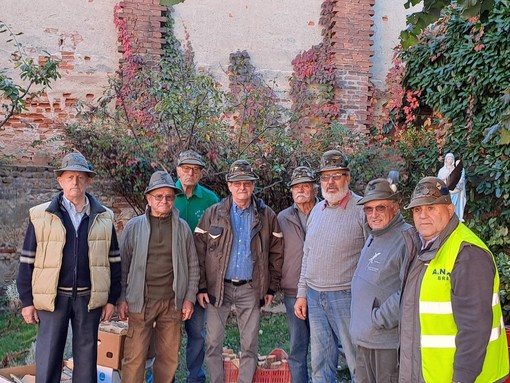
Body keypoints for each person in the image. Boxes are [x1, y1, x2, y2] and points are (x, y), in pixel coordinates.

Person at [17, 152, 121, 383]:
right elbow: (27, 260)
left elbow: (114, 260)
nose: (75, 182)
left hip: (89, 299)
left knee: (86, 361)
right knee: (48, 358)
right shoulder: (40, 216)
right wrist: (27, 301)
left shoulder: (104, 217)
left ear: (88, 180)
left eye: (80, 177)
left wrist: (112, 299)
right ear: (60, 181)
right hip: (53, 299)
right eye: (70, 177)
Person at [399, 176, 509, 383]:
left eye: (431, 208)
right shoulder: (421, 246)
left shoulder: (467, 253)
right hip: (429, 373)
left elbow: (475, 327)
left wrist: (462, 379)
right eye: (417, 210)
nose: (423, 216)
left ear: (450, 210)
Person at [194, 159, 283, 383]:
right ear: (229, 186)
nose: (242, 187)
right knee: (213, 341)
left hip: (250, 288)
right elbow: (199, 251)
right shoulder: (213, 213)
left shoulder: (266, 215)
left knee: (249, 343)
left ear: (253, 185)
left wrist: (271, 287)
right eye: (237, 183)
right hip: (218, 287)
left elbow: (276, 253)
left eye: (247, 183)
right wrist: (201, 286)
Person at [118, 170, 199, 383]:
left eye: (169, 197)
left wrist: (189, 297)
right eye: (159, 196)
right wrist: (122, 297)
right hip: (140, 301)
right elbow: (122, 265)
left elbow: (193, 264)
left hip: (172, 303)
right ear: (148, 198)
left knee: (168, 358)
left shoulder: (182, 229)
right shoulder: (134, 227)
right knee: (135, 357)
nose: (164, 200)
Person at [294, 149, 366, 382]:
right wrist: (302, 294)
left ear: (347, 177)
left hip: (346, 296)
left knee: (357, 360)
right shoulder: (317, 210)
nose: (330, 182)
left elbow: (373, 255)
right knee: (321, 363)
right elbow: (308, 254)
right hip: (315, 297)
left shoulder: (361, 210)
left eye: (336, 176)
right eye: (325, 177)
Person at [351, 178, 411, 383]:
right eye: (368, 209)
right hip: (365, 339)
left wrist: (378, 319)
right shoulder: (375, 233)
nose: (373, 215)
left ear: (394, 208)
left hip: (386, 343)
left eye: (380, 208)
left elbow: (408, 291)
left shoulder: (407, 238)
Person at [174, 150, 219, 383]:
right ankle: (163, 375)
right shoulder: (166, 194)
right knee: (166, 332)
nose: (190, 173)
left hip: (199, 276)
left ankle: (195, 376)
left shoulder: (210, 199)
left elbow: (220, 238)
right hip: (170, 275)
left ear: (201, 173)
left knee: (196, 332)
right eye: (186, 168)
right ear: (178, 170)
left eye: (196, 169)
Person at [277, 166, 319, 383]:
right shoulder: (283, 218)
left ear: (314, 188)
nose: (301, 190)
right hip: (294, 289)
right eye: (296, 187)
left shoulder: (326, 211)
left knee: (325, 344)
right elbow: (275, 254)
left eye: (305, 186)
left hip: (323, 288)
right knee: (298, 344)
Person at [437, 153, 467, 221]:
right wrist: (441, 191)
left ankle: (457, 218)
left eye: (451, 159)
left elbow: (461, 180)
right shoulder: (441, 171)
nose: (450, 160)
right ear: (446, 160)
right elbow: (438, 183)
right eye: (448, 159)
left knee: (456, 207)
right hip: (446, 193)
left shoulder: (456, 170)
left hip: (456, 192)